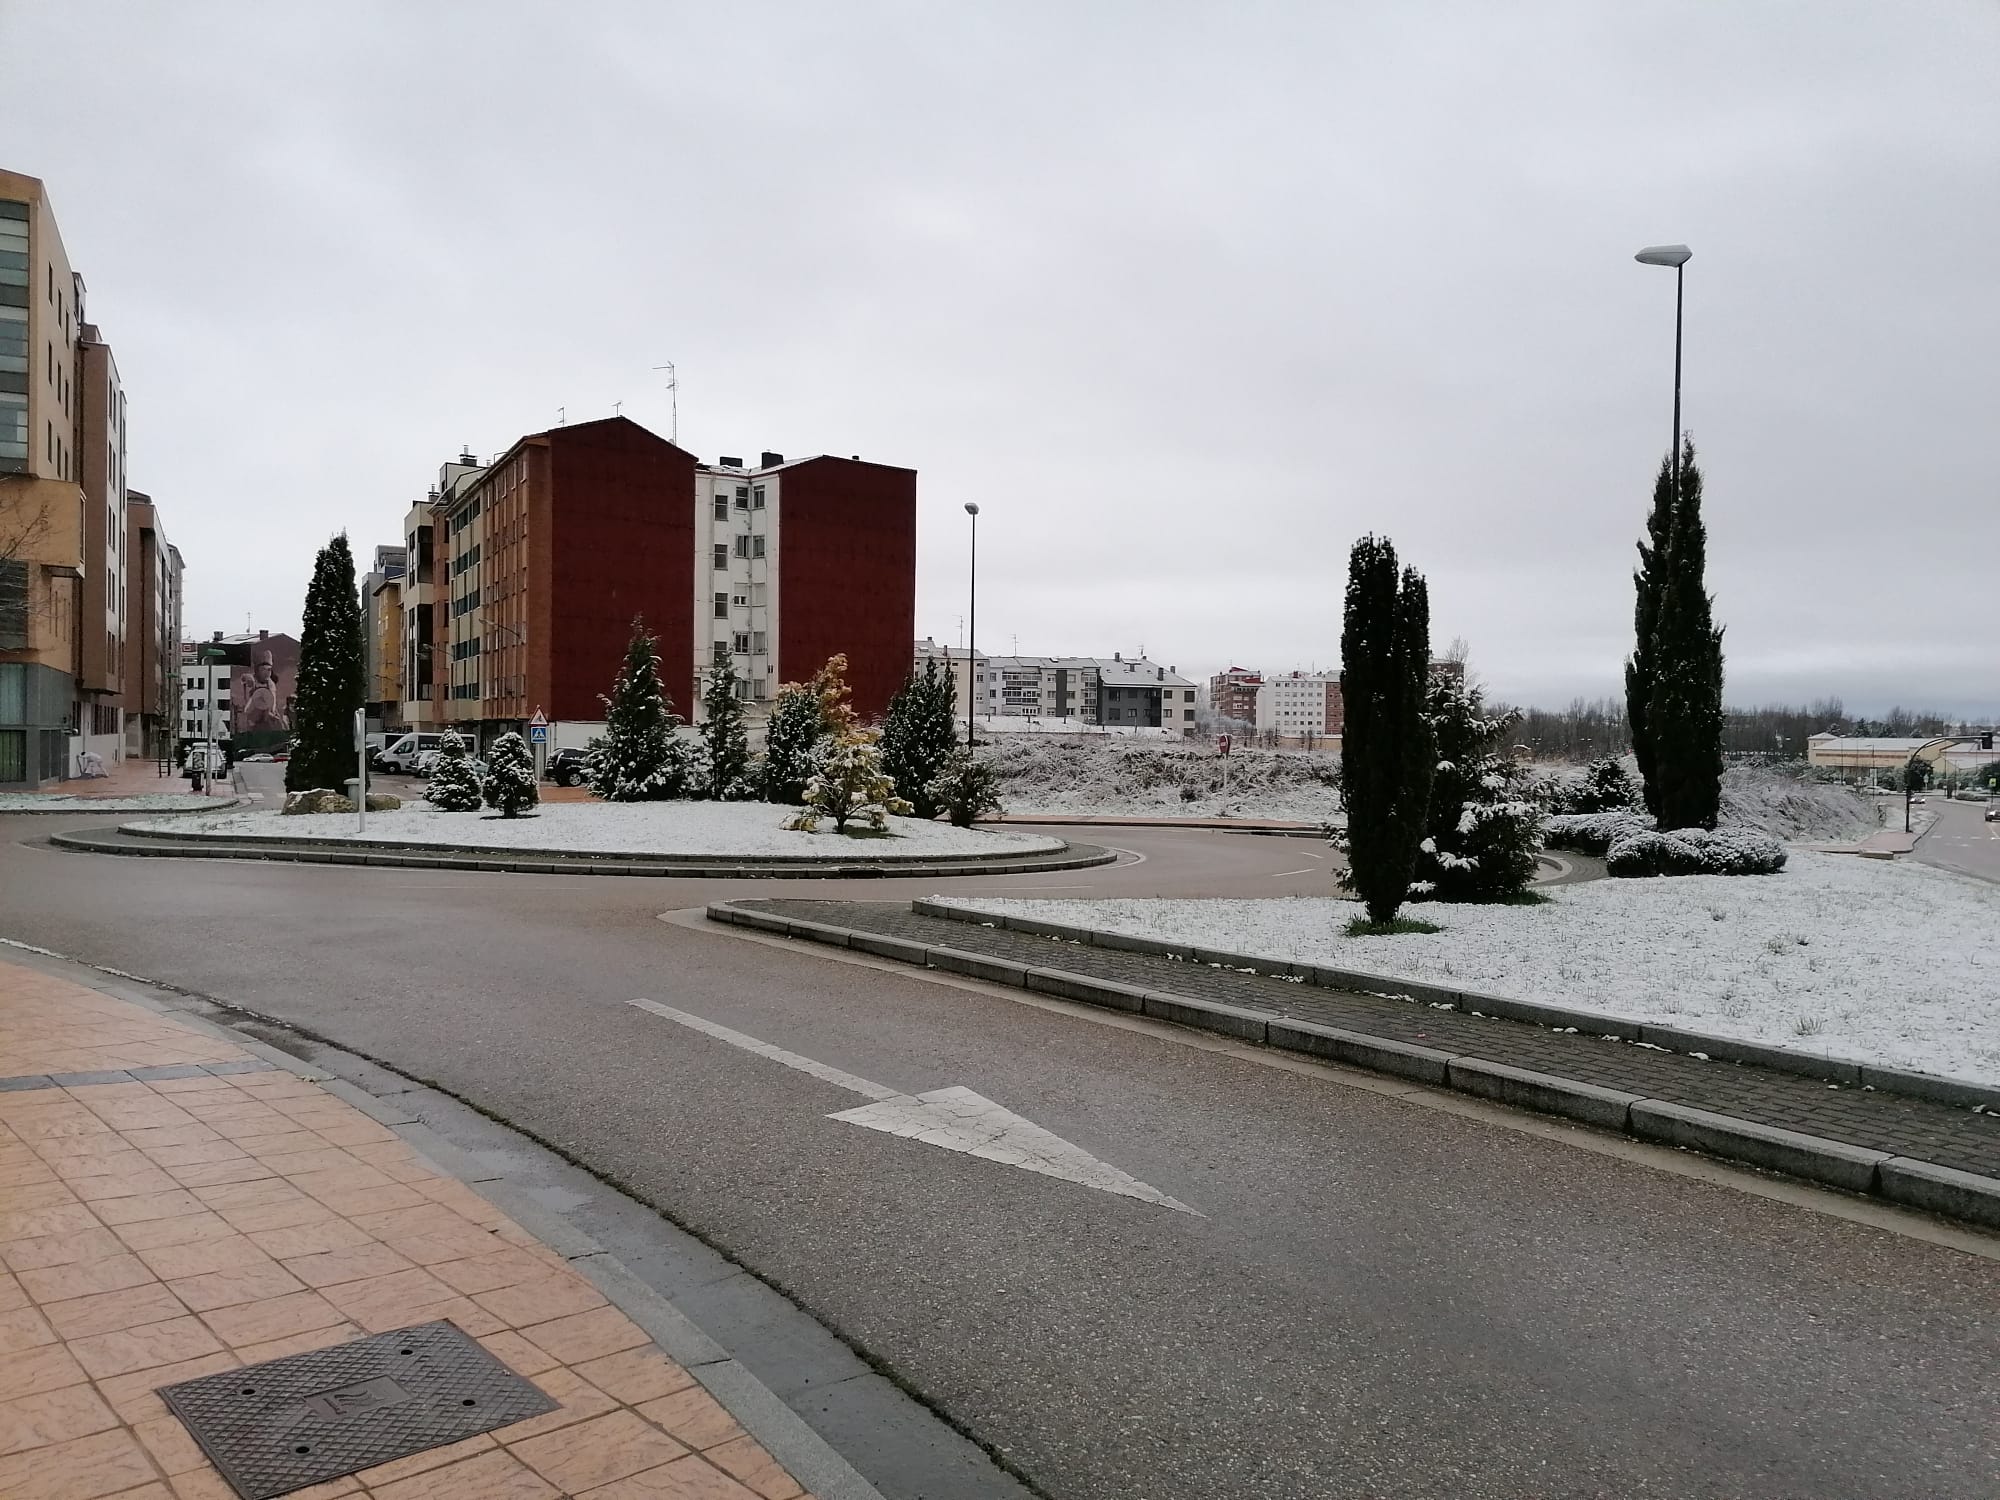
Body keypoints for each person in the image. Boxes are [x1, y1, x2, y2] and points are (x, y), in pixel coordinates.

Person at [239, 652, 289, 733]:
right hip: (253, 715)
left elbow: (272, 701)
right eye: (263, 669)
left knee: (279, 726)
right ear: (257, 670)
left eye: (269, 670)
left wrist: (271, 712)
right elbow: (245, 679)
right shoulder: (253, 680)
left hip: (268, 714)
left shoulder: (271, 684)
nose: (266, 673)